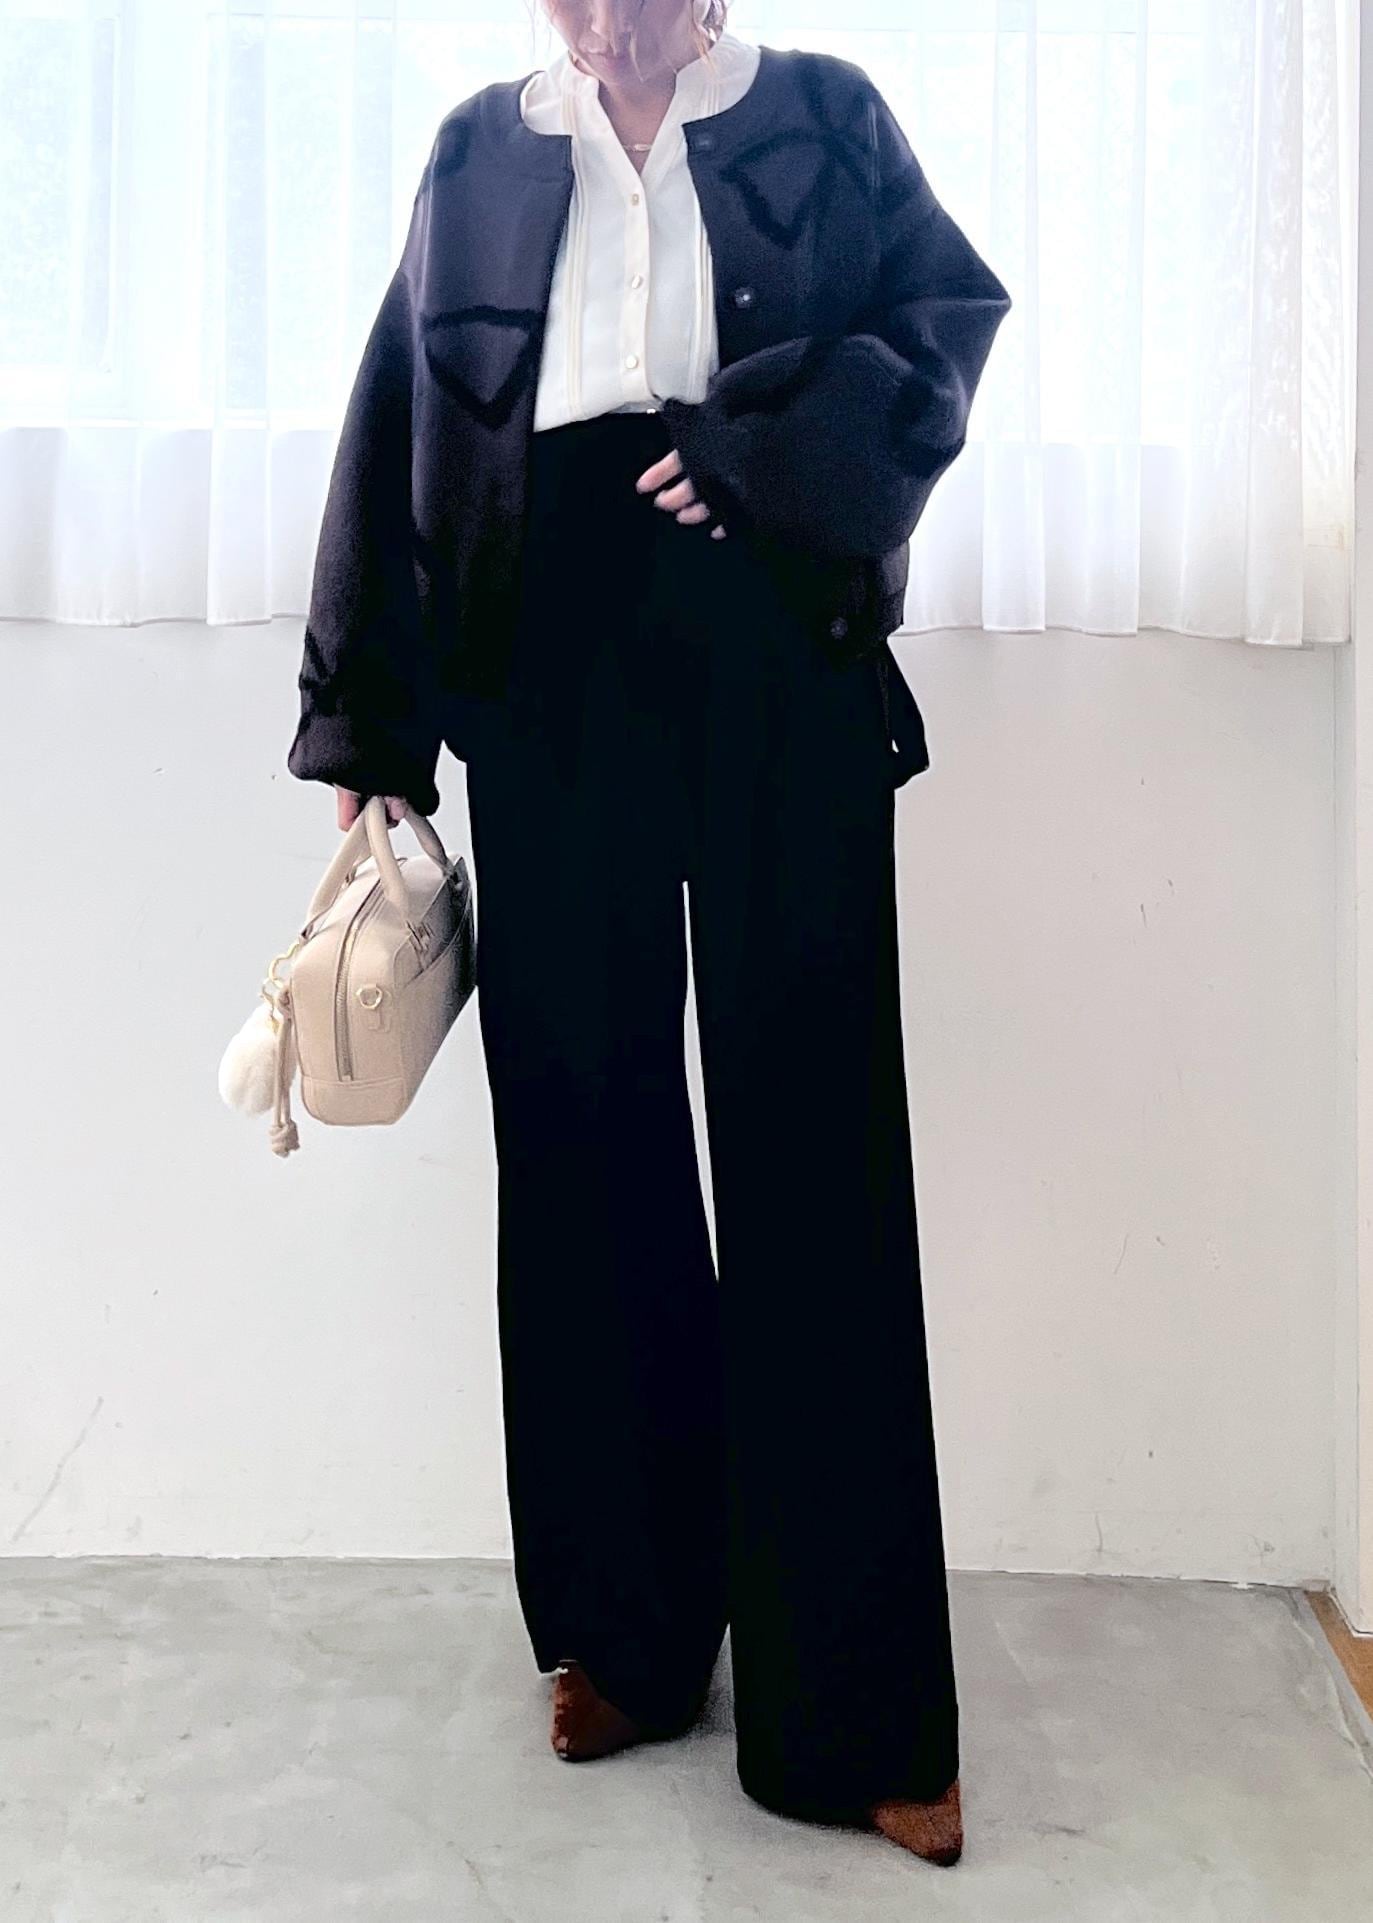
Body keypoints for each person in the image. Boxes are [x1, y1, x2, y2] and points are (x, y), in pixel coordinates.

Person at [287, 0, 1011, 1865]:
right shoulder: (480, 148)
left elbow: (942, 324)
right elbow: (395, 423)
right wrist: (368, 733)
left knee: (810, 1140)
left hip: (773, 643)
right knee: (584, 1138)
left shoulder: (824, 114)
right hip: (548, 667)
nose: (610, 16)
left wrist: (760, 448)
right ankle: (627, 1637)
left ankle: (855, 1711)